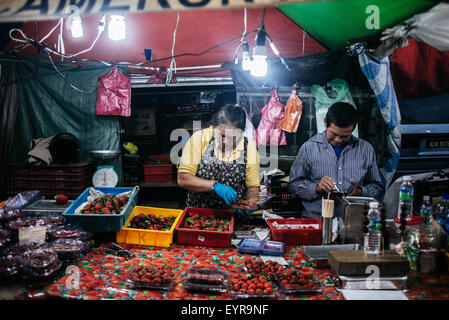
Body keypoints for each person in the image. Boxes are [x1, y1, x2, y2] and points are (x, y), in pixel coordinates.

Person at [288, 102, 383, 219]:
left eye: (345, 136)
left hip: (352, 222)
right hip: (317, 221)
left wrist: (360, 192)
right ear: (325, 123)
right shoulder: (309, 148)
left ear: (353, 129)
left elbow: (377, 187)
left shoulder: (365, 149)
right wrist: (317, 188)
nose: (338, 140)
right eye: (333, 134)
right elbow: (293, 184)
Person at [177, 104, 260, 215]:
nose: (225, 141)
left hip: (234, 217)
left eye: (233, 138)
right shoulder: (200, 138)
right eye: (222, 135)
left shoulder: (248, 148)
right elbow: (183, 179)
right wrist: (214, 186)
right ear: (213, 127)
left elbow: (253, 187)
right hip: (199, 215)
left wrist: (250, 204)